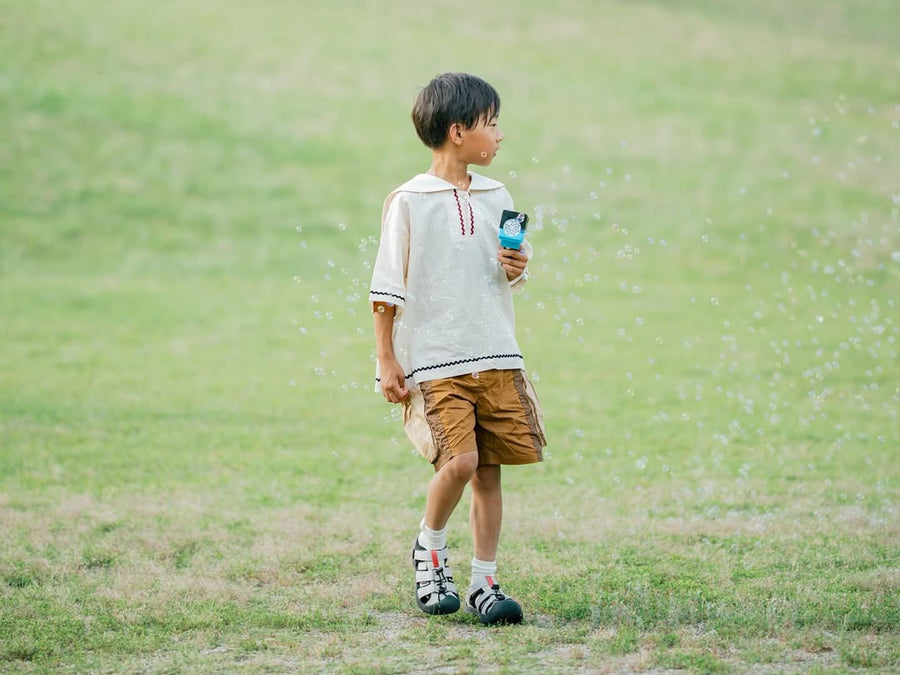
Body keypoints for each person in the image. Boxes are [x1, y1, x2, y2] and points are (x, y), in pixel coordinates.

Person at [369, 72, 547, 625]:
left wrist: (517, 266)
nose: (499, 135)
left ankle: (484, 583)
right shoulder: (408, 202)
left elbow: (505, 275)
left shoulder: (498, 197)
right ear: (457, 131)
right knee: (461, 461)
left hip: (495, 353)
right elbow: (385, 288)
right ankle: (430, 552)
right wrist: (386, 358)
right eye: (491, 124)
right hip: (435, 360)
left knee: (489, 473)